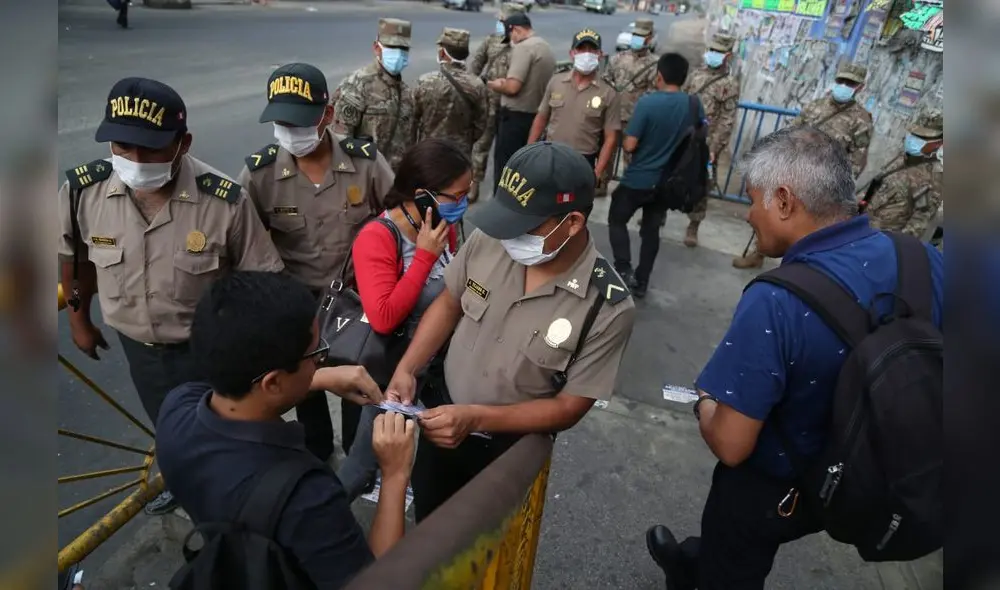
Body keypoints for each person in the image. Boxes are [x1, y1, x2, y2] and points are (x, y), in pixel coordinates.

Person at [644, 126, 943, 590]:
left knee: (732, 550)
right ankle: (691, 560)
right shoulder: (924, 260)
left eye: (754, 200)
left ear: (784, 201)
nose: (748, 215)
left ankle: (700, 572)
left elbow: (731, 442)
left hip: (784, 484)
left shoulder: (775, 301)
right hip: (882, 467)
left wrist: (705, 401)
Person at [58, 77, 284, 516]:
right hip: (138, 348)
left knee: (223, 437)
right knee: (167, 427)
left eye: (152, 149)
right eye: (123, 147)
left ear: (183, 143)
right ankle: (181, 480)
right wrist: (78, 319)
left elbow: (263, 282)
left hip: (208, 350)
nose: (136, 161)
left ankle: (226, 508)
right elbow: (76, 258)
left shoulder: (224, 201)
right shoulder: (83, 192)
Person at [385, 142, 636, 522]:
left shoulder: (606, 305)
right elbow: (450, 303)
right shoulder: (492, 239)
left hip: (508, 453)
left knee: (490, 556)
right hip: (440, 422)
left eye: (526, 224)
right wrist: (408, 367)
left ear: (572, 223)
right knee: (430, 530)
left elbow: (569, 407)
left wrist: (475, 419)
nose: (510, 234)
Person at [156, 271, 416, 589]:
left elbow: (249, 393)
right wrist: (394, 474)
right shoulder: (306, 498)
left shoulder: (176, 409)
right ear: (273, 382)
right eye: (315, 355)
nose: (321, 362)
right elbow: (374, 584)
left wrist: (320, 379)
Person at [238, 62, 395, 462]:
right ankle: (318, 454)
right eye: (281, 122)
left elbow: (397, 219)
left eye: (300, 122)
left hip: (356, 302)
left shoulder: (365, 163)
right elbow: (244, 243)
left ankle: (361, 459)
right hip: (297, 304)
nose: (290, 132)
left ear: (328, 115)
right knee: (304, 389)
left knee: (357, 384)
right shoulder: (260, 174)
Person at [336, 138, 470, 500]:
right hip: (391, 369)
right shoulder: (379, 237)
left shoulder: (442, 223)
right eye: (456, 195)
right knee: (361, 466)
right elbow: (383, 317)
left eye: (466, 194)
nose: (463, 203)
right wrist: (425, 257)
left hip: (435, 367)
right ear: (423, 194)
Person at [734, 62, 873, 269]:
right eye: (841, 81)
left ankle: (793, 267)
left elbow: (857, 159)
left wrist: (835, 188)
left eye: (850, 83)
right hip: (791, 174)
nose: (843, 85)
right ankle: (759, 251)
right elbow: (790, 136)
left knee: (804, 227)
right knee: (769, 212)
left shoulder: (862, 120)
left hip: (822, 185)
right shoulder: (815, 106)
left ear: (859, 88)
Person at [608, 53, 703, 299]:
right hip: (668, 184)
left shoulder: (647, 103)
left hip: (639, 178)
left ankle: (623, 268)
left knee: (617, 219)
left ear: (658, 75)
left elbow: (629, 145)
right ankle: (642, 281)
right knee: (651, 230)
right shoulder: (693, 104)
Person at [528, 29, 621, 182]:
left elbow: (610, 138)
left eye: (592, 50)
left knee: (574, 204)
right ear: (572, 53)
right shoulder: (556, 82)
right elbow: (541, 119)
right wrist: (528, 152)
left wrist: (596, 173)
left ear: (600, 54)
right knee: (546, 201)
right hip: (551, 155)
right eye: (581, 49)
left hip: (582, 161)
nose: (586, 54)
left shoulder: (608, 92)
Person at [680, 33, 741, 247]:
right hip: (684, 137)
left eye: (718, 52)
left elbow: (727, 119)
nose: (713, 55)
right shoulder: (695, 75)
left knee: (701, 185)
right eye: (711, 50)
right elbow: (682, 101)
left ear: (728, 55)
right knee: (670, 176)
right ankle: (658, 215)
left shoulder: (730, 84)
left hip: (706, 143)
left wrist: (715, 147)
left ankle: (693, 225)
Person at [334, 18, 415, 171]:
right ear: (377, 48)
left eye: (403, 48)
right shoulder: (356, 85)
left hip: (395, 181)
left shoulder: (405, 92)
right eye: (392, 47)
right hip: (364, 178)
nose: (398, 54)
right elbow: (339, 141)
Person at [487, 12, 555, 192]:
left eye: (510, 35)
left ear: (515, 30)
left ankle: (501, 206)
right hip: (534, 117)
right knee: (523, 169)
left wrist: (497, 85)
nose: (511, 40)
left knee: (506, 168)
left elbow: (513, 87)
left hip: (515, 118)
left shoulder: (524, 48)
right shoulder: (545, 47)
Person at [468, 2, 526, 202]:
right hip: (488, 104)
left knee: (507, 152)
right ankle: (473, 185)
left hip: (512, 107)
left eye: (503, 21)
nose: (499, 24)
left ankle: (503, 191)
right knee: (480, 146)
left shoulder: (524, 46)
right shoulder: (491, 41)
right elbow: (475, 67)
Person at [861, 109, 943, 238]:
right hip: (860, 227)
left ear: (938, 143)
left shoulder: (932, 177)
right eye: (912, 134)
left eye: (922, 138)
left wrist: (891, 248)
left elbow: (918, 222)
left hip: (882, 239)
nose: (913, 139)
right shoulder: (901, 156)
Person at [413, 29, 488, 159]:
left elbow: (411, 121)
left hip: (428, 152)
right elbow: (480, 125)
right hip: (459, 156)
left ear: (442, 53)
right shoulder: (477, 85)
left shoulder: (425, 81)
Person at [603, 17, 658, 178]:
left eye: (642, 36)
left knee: (632, 156)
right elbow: (606, 82)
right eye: (635, 35)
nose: (637, 39)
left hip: (636, 119)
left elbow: (653, 94)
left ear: (650, 37)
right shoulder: (618, 58)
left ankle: (628, 189)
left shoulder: (654, 65)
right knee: (607, 152)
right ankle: (601, 184)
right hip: (613, 116)